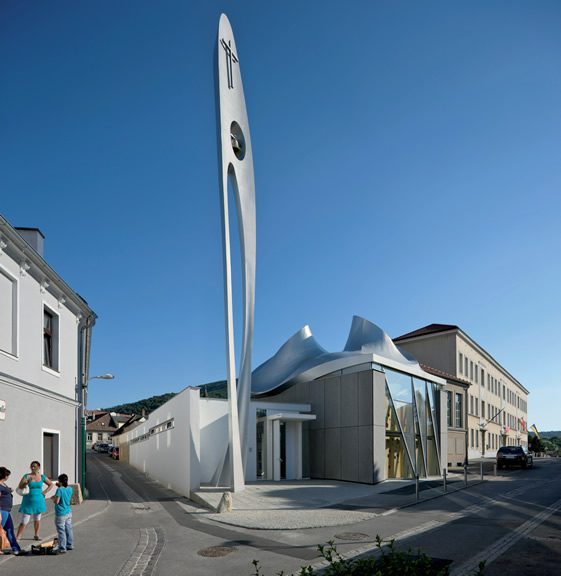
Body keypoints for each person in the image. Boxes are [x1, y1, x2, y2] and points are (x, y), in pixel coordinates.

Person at [16, 461, 53, 541]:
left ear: (38, 467)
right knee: (24, 520)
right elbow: (20, 486)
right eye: (31, 466)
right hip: (28, 500)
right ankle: (18, 536)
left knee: (37, 519)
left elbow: (51, 484)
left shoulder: (42, 477)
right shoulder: (27, 476)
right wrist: (26, 483)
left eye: (34, 466)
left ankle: (36, 535)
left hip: (39, 500)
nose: (32, 468)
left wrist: (45, 492)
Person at [0, 466, 27, 556]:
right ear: (4, 476)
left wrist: (9, 490)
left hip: (7, 510)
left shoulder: (3, 484)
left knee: (9, 530)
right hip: (2, 511)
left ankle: (16, 549)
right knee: (1, 531)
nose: (8, 476)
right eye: (7, 475)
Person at [51, 474, 73, 554]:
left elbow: (57, 501)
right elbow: (68, 498)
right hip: (68, 512)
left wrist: (53, 498)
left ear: (59, 481)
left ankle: (62, 548)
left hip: (60, 513)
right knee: (68, 529)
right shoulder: (70, 488)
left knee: (61, 531)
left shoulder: (59, 490)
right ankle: (70, 545)